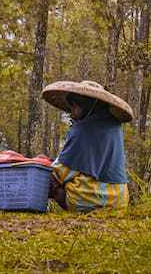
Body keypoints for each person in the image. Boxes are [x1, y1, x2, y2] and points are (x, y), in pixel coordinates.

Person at [41, 80, 133, 212]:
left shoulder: (81, 130)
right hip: (119, 202)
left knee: (47, 177)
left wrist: (43, 163)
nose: (71, 114)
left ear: (84, 106)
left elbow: (60, 172)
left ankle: (36, 208)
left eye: (73, 108)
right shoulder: (115, 127)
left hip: (92, 201)